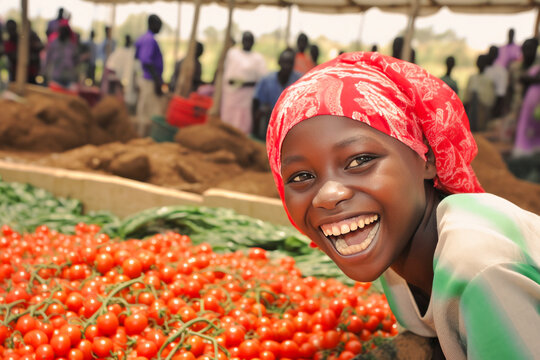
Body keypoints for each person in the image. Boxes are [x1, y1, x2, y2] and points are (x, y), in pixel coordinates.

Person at [267, 51, 540, 360]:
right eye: (302, 176)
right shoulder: (397, 245)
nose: (328, 195)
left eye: (359, 160)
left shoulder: (480, 267)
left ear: (428, 159)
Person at [221, 31, 267, 134]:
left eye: (249, 40)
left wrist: (244, 84)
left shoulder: (258, 58)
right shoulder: (232, 53)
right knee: (229, 115)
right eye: (245, 39)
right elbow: (226, 71)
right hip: (231, 93)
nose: (247, 42)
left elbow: (261, 79)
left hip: (247, 94)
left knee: (243, 118)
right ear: (241, 40)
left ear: (253, 42)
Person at [252, 48, 301, 142]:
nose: (287, 66)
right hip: (270, 120)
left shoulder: (300, 81)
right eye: (284, 62)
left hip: (291, 121)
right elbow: (256, 102)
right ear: (279, 62)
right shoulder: (267, 80)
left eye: (290, 63)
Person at [134, 14, 164, 137]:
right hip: (150, 79)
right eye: (159, 25)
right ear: (152, 24)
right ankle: (145, 137)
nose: (160, 28)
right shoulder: (149, 40)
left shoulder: (143, 38)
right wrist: (157, 79)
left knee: (144, 108)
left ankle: (143, 135)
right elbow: (146, 60)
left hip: (147, 78)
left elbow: (136, 57)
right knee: (149, 111)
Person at [3, 19, 44, 84]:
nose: (11, 31)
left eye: (12, 29)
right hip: (15, 74)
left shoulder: (24, 38)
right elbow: (14, 57)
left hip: (30, 73)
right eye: (10, 29)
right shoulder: (8, 43)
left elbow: (40, 46)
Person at [463, 54, 495, 132]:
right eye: (479, 62)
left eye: (482, 62)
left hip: (481, 112)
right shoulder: (472, 77)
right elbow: (466, 97)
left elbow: (489, 100)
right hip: (470, 111)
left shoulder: (488, 80)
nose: (480, 64)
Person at [105, 34, 137, 110]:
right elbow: (111, 64)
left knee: (127, 97)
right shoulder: (119, 51)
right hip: (118, 79)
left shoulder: (132, 52)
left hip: (128, 79)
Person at [44, 22, 78, 89]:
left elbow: (75, 59)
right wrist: (44, 72)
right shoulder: (54, 43)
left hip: (69, 77)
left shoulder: (71, 45)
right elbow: (48, 58)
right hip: (56, 76)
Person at [485, 45, 508, 119]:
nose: (491, 55)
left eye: (493, 53)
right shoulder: (484, 68)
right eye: (490, 53)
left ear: (497, 55)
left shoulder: (501, 71)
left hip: (493, 106)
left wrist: (495, 112)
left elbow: (500, 94)